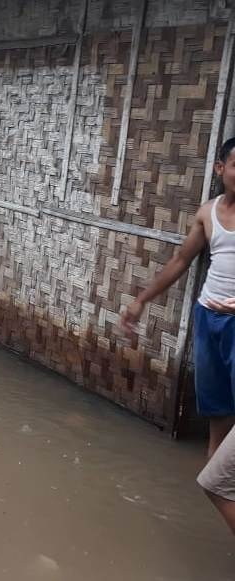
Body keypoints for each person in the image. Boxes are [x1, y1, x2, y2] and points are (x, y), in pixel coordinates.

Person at [121, 136, 235, 533]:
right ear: (220, 169)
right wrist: (141, 300)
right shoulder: (208, 214)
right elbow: (182, 259)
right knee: (218, 413)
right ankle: (216, 504)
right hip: (208, 321)